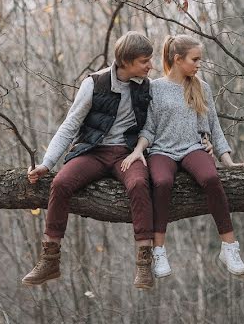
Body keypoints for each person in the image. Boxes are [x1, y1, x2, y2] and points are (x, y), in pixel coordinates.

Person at [23, 31, 156, 289]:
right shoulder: (94, 84)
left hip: (128, 152)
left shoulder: (146, 86)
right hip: (93, 150)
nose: (150, 66)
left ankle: (143, 264)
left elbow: (153, 125)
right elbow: (70, 125)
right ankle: (50, 260)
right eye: (144, 61)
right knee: (61, 183)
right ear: (126, 62)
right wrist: (46, 163)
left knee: (140, 185)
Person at [121, 34, 244, 279]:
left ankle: (229, 247)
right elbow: (149, 128)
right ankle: (159, 250)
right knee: (161, 182)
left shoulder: (202, 87)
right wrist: (139, 150)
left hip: (193, 148)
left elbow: (213, 126)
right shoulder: (155, 88)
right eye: (195, 59)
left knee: (211, 178)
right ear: (178, 59)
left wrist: (227, 159)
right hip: (162, 150)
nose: (199, 64)